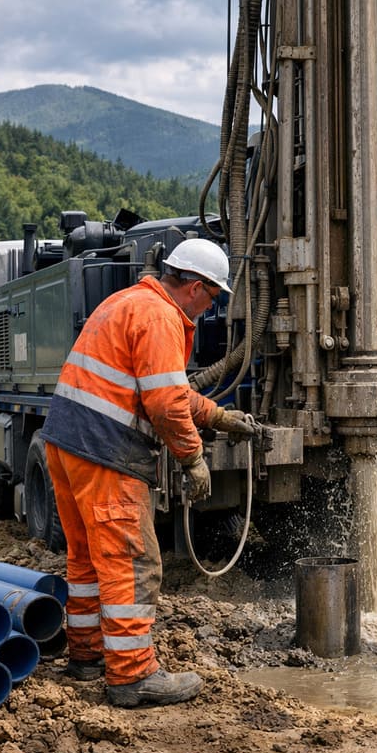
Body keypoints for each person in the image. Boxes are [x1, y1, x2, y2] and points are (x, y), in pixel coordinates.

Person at [42, 237, 258, 708]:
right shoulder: (161, 317)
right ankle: (132, 674)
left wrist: (219, 417)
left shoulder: (129, 302)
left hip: (68, 444)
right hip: (105, 452)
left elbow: (166, 390)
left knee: (88, 559)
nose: (210, 307)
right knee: (132, 562)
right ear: (195, 287)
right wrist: (193, 458)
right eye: (213, 297)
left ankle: (87, 656)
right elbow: (163, 402)